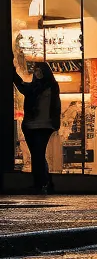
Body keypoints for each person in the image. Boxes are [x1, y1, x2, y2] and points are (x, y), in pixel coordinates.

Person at [13, 60, 61, 194]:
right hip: (30, 125)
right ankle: (45, 182)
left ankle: (40, 183)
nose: (37, 73)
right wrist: (13, 73)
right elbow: (22, 86)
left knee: (38, 154)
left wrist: (55, 122)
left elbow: (56, 104)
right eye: (36, 70)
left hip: (44, 125)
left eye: (40, 70)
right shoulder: (33, 87)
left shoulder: (52, 86)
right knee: (37, 154)